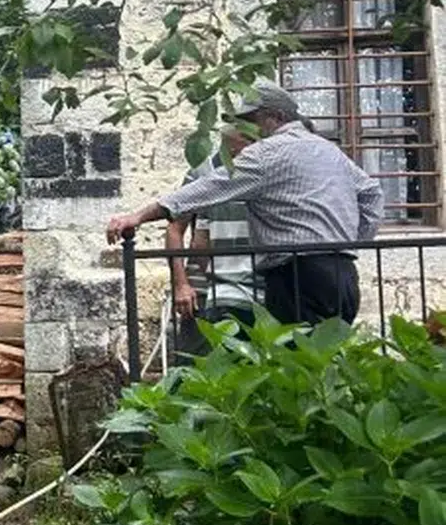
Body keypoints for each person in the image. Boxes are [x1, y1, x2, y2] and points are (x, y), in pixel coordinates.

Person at [107, 81, 384, 325]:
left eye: (251, 120)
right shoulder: (327, 149)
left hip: (297, 276)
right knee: (330, 357)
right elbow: (372, 194)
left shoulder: (266, 153)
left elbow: (206, 189)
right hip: (344, 273)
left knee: (296, 358)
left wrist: (138, 217)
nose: (245, 128)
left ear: (276, 117)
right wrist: (352, 243)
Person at [167, 129, 261, 359]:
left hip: (255, 286)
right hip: (203, 288)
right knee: (195, 360)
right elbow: (175, 229)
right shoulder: (203, 171)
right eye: (248, 138)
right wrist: (181, 285)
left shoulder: (263, 170)